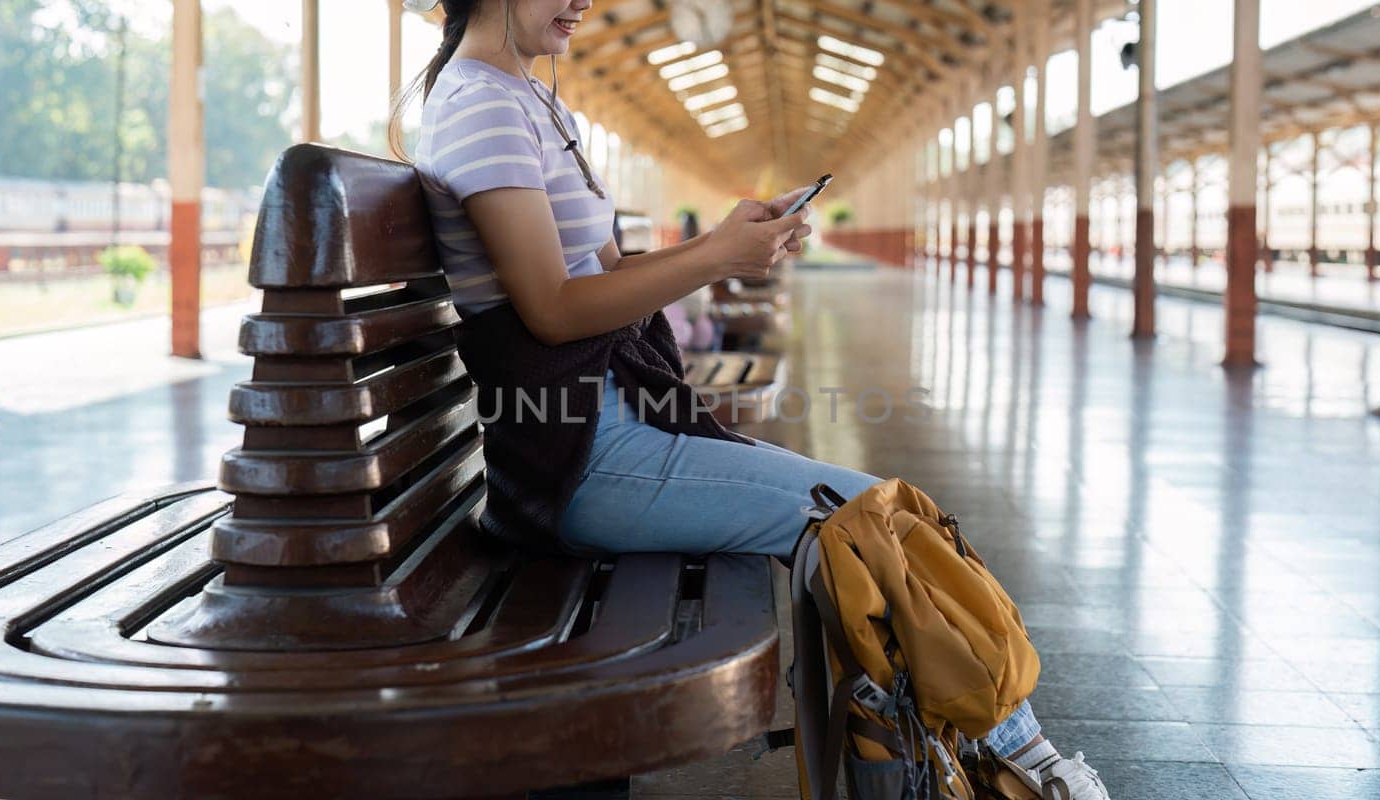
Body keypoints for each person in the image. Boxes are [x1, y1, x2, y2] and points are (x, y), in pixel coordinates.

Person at [393, 2, 1109, 797]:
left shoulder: (529, 98)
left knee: (879, 520)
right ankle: (1027, 770)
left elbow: (608, 278)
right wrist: (715, 261)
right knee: (867, 520)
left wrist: (721, 243)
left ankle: (994, 761)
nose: (586, 0)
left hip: (616, 428)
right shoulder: (480, 104)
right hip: (579, 457)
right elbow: (553, 307)